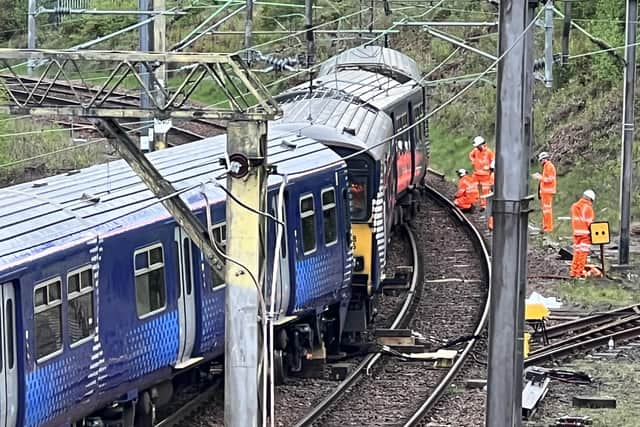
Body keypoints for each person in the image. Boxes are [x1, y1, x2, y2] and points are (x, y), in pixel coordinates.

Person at [570, 190, 595, 278]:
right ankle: (579, 273)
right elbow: (589, 223)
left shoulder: (574, 206)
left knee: (576, 253)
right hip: (585, 234)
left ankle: (573, 272)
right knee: (582, 254)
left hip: (576, 233)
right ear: (591, 199)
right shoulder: (588, 208)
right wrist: (593, 234)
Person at [532, 151, 557, 233]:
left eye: (541, 160)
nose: (541, 162)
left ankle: (548, 227)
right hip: (545, 192)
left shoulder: (549, 166)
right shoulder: (547, 166)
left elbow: (550, 179)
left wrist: (540, 177)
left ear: (544, 159)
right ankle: (545, 226)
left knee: (547, 210)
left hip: (547, 192)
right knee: (545, 210)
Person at [468, 136, 495, 210]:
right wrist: (473, 161)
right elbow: (470, 155)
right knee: (473, 188)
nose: (477, 147)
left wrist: (490, 168)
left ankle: (484, 205)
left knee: (485, 190)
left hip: (485, 175)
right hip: (476, 174)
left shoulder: (489, 152)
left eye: (478, 146)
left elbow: (493, 160)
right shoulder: (476, 150)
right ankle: (473, 203)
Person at [487, 160, 495, 231]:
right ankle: (491, 225)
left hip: (493, 194)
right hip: (495, 194)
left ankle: (491, 225)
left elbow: (492, 186)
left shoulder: (492, 175)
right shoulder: (494, 175)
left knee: (492, 210)